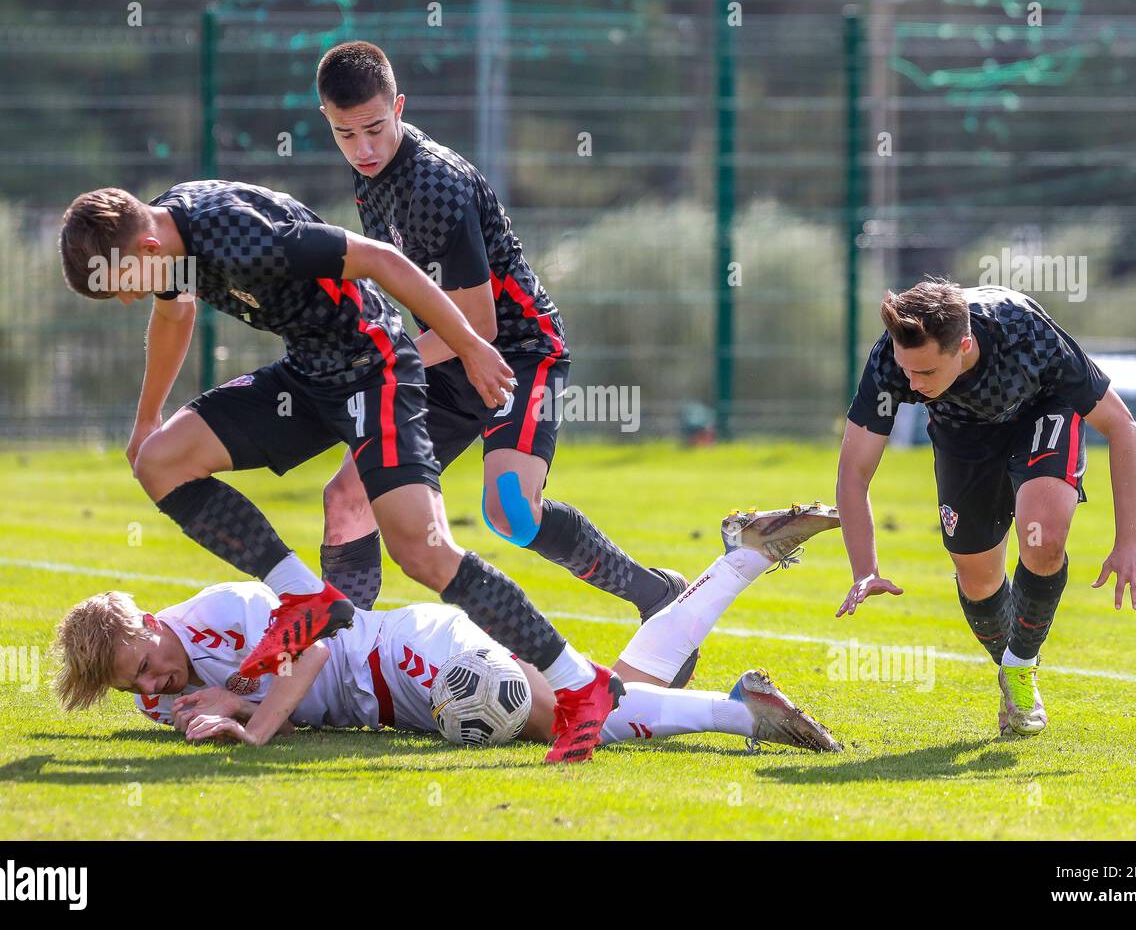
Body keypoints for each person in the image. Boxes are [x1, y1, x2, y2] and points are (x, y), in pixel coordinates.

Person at [58, 180, 618, 762]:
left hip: (375, 370)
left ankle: (580, 683)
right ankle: (304, 597)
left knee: (424, 554)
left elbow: (382, 260)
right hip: (309, 375)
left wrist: (470, 345)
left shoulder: (241, 237)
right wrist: (146, 420)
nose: (126, 300)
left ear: (145, 250)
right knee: (159, 461)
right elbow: (176, 313)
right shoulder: (169, 238)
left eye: (121, 288)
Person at [311, 41, 696, 687]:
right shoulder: (367, 172)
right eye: (345, 133)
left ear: (399, 107)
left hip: (516, 352)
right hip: (445, 356)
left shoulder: (435, 183)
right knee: (347, 496)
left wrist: (382, 363)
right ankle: (339, 664)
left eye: (376, 128)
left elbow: (480, 327)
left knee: (511, 511)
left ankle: (656, 595)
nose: (363, 147)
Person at [53, 504, 846, 754]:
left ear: (154, 623)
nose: (154, 686)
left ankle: (745, 712)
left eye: (148, 662)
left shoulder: (219, 611)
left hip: (410, 652)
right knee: (603, 696)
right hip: (397, 698)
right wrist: (216, 708)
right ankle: (743, 563)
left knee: (578, 716)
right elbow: (216, 703)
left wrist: (249, 723)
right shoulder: (159, 702)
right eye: (135, 686)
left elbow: (318, 642)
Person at [835, 280, 1136, 735]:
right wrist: (864, 568)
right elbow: (854, 472)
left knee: (1042, 537)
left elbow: (1124, 428)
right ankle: (1014, 670)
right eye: (907, 372)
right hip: (962, 436)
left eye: (926, 373)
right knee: (978, 578)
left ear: (964, 345)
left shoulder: (1025, 333)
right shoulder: (892, 362)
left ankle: (1021, 666)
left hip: (1041, 412)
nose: (911, 383)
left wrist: (1130, 540)